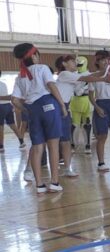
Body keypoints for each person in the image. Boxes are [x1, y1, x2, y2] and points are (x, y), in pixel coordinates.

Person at [12, 44, 65, 193]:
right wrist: (61, 104)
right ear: (34, 56)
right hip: (48, 105)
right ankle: (54, 182)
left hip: (32, 109)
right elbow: (51, 86)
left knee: (37, 147)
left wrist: (26, 110)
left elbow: (14, 100)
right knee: (53, 145)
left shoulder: (20, 76)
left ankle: (39, 185)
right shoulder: (42, 68)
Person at [54, 55, 108, 177]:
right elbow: (87, 77)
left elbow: (87, 79)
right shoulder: (64, 74)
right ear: (64, 64)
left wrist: (104, 71)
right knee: (50, 141)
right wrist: (104, 76)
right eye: (72, 61)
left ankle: (68, 169)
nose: (75, 63)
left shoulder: (72, 78)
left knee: (66, 141)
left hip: (65, 108)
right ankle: (30, 169)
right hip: (56, 108)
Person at [69, 56, 93, 154]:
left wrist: (83, 89)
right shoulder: (72, 74)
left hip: (86, 100)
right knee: (74, 125)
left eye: (80, 65)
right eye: (77, 65)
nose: (78, 67)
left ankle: (88, 145)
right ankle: (73, 144)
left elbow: (92, 88)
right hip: (75, 101)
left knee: (87, 125)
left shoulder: (90, 75)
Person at [0, 70, 25, 152]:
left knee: (0, 127)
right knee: (13, 125)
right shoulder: (3, 84)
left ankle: (1, 146)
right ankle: (21, 141)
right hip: (8, 106)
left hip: (1, 106)